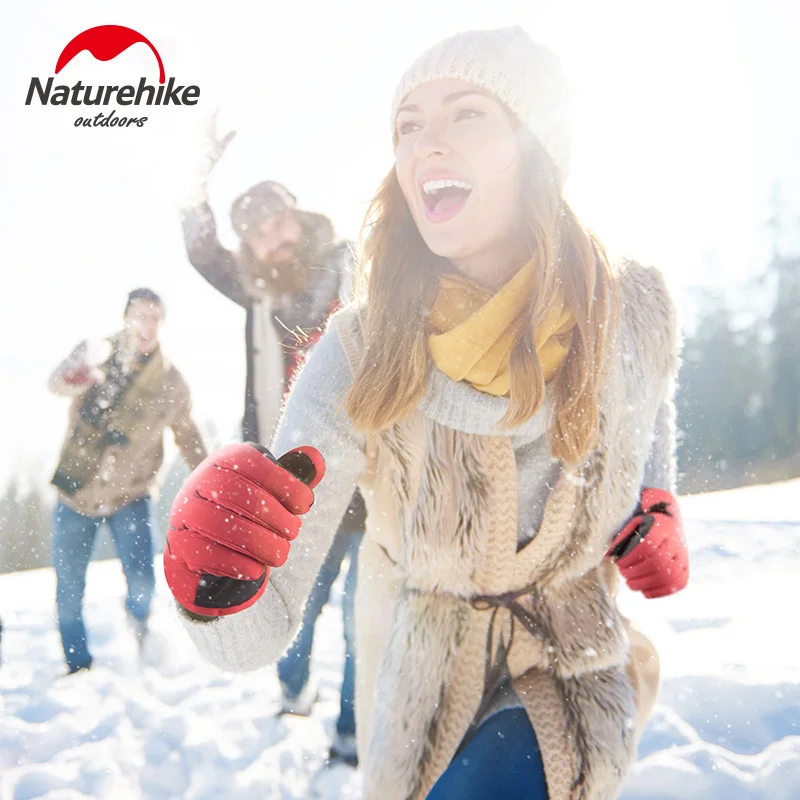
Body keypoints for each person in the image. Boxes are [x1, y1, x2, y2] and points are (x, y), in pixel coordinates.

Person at [164, 26, 689, 800]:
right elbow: (249, 637)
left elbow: (650, 393)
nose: (426, 144)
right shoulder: (336, 331)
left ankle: (349, 724)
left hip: (574, 659)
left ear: (536, 142)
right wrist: (217, 579)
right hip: (344, 499)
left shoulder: (630, 306)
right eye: (407, 127)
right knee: (348, 611)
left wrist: (658, 495)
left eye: (467, 113)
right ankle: (320, 706)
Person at [179, 124, 364, 765]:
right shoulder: (258, 291)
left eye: (277, 220)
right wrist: (193, 180)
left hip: (372, 474)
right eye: (255, 231)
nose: (271, 236)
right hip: (293, 485)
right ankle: (294, 691)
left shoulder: (352, 265)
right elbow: (202, 254)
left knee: (363, 618)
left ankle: (351, 729)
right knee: (294, 604)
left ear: (297, 216)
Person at [49, 288, 207, 675]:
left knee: (142, 583)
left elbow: (188, 437)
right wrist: (76, 376)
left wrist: (213, 478)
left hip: (131, 495)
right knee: (69, 590)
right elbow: (56, 384)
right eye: (139, 316)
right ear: (125, 318)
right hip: (76, 492)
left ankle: (139, 630)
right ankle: (78, 667)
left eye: (154, 318)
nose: (146, 325)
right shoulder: (95, 353)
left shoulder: (170, 381)